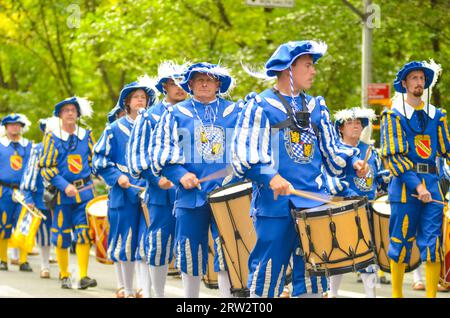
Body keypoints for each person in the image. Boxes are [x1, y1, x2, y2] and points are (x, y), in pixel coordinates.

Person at [231, 40, 368, 297]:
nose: (313, 71)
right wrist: (270, 176)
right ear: (288, 69)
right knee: (267, 274)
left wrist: (352, 162)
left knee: (312, 275)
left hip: (313, 204)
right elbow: (243, 154)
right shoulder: (259, 105)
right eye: (307, 65)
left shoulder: (317, 107)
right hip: (275, 206)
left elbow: (332, 151)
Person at [150, 62, 240, 298]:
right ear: (189, 84)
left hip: (227, 195)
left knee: (228, 251)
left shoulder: (236, 111)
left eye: (209, 79)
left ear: (218, 84)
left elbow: (250, 149)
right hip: (191, 196)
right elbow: (161, 152)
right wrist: (180, 175)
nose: (203, 83)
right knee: (189, 251)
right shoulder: (175, 113)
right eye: (198, 79)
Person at [380, 60, 450, 298]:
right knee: (400, 242)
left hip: (432, 184)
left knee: (433, 244)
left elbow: (446, 149)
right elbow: (394, 157)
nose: (419, 82)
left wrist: (428, 186)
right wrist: (417, 186)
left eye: (422, 79)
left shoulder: (437, 115)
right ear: (404, 83)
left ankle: (431, 296)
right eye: (414, 78)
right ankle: (397, 295)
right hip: (404, 187)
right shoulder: (392, 116)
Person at [127, 61, 187, 297]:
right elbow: (137, 156)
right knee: (159, 246)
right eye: (175, 83)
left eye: (184, 83)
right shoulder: (150, 116)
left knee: (189, 247)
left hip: (190, 192)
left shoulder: (193, 112)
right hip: (161, 193)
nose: (180, 88)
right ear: (165, 86)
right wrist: (155, 178)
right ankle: (157, 294)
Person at [93, 76, 156, 298]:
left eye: (144, 98)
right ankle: (127, 289)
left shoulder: (154, 127)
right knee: (126, 241)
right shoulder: (114, 129)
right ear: (127, 103)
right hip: (123, 193)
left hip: (149, 191)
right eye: (136, 97)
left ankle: (144, 290)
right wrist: (117, 177)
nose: (140, 101)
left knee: (146, 241)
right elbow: (99, 159)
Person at [326, 107, 391, 298]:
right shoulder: (335, 152)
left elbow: (378, 181)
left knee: (368, 256)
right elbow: (330, 179)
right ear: (340, 128)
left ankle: (371, 295)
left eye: (358, 123)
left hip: (367, 207)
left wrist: (387, 183)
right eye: (350, 123)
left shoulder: (371, 152)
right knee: (338, 256)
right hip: (342, 207)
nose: (355, 126)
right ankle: (333, 294)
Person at [39, 97, 97, 290]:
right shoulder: (52, 137)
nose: (70, 113)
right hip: (62, 195)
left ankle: (83, 276)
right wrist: (64, 185)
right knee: (61, 235)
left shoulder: (87, 135)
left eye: (73, 110)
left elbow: (95, 161)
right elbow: (46, 167)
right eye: (66, 110)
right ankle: (64, 274)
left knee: (83, 233)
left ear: (78, 114)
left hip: (85, 192)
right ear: (60, 115)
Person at [20, 118, 54, 278]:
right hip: (42, 197)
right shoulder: (38, 149)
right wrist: (28, 197)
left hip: (62, 197)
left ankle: (65, 268)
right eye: (49, 129)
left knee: (64, 232)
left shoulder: (67, 145)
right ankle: (45, 265)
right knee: (44, 233)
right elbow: (29, 175)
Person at [0, 113, 32, 271]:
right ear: (6, 127)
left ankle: (23, 260)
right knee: (3, 224)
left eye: (17, 124)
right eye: (11, 124)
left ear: (21, 127)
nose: (14, 127)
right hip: (3, 190)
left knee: (23, 224)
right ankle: (3, 259)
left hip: (23, 190)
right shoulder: (0, 144)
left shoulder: (28, 145)